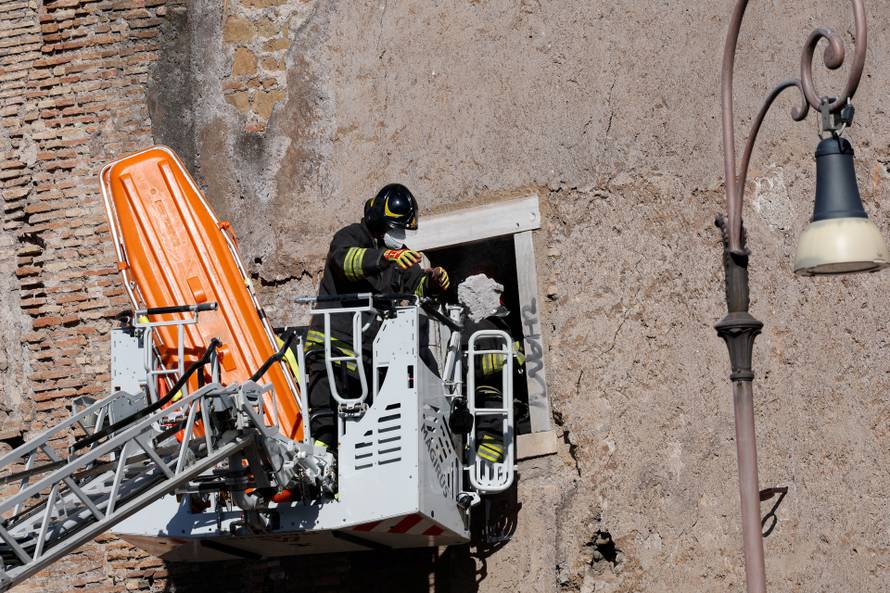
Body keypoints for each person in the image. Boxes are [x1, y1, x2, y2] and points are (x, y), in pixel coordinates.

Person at [306, 183, 450, 451]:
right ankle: (317, 471)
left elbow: (415, 282)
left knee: (365, 429)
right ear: (377, 219)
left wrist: (433, 281)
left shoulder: (397, 254)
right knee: (326, 425)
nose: (398, 234)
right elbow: (345, 262)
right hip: (334, 346)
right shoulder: (350, 236)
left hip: (368, 355)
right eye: (394, 226)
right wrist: (385, 257)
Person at [456, 274, 525, 464]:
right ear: (479, 296)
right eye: (494, 292)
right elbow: (467, 367)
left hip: (502, 397)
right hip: (484, 397)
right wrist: (507, 358)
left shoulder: (494, 324)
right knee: (495, 427)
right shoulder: (471, 327)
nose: (499, 297)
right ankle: (485, 468)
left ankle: (485, 469)